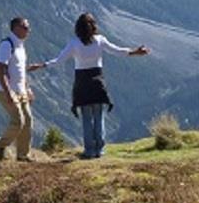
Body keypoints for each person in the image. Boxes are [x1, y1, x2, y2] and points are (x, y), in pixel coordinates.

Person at [32, 12, 149, 159]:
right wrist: (136, 52)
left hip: (82, 82)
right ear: (94, 26)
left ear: (78, 28)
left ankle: (89, 150)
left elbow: (59, 60)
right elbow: (117, 51)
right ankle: (99, 149)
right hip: (97, 81)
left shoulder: (74, 43)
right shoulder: (100, 40)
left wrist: (42, 65)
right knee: (99, 116)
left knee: (86, 118)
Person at [0, 16, 34, 162]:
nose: (29, 30)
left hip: (20, 90)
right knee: (18, 121)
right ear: (16, 28)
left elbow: (20, 70)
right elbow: (0, 70)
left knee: (27, 120)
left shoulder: (20, 45)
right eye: (26, 27)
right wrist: (8, 93)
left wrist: (27, 88)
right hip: (5, 90)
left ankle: (22, 155)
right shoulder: (7, 45)